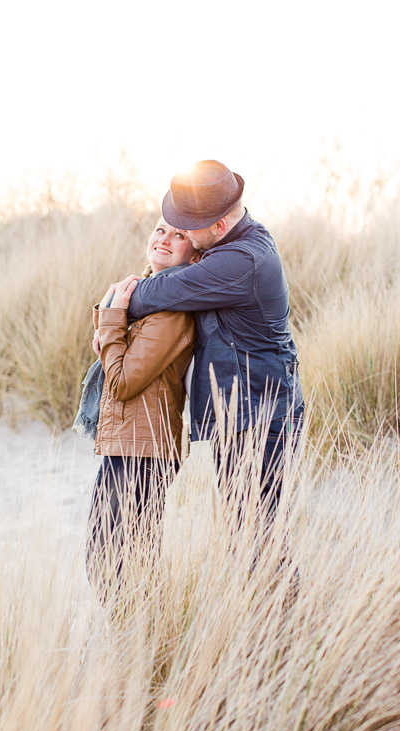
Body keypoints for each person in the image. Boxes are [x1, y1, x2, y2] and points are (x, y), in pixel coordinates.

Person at [117, 161, 304, 536]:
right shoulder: (231, 243)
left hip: (259, 417)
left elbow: (151, 295)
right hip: (245, 413)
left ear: (219, 226)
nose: (180, 230)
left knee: (258, 540)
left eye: (188, 224)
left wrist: (113, 307)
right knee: (249, 535)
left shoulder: (240, 260)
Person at [86, 220, 196, 594]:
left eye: (180, 235)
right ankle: (135, 640)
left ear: (195, 253)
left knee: (121, 565)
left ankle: (140, 642)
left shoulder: (173, 311)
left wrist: (112, 320)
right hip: (127, 443)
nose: (165, 239)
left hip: (144, 448)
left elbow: (121, 383)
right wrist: (114, 314)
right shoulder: (146, 299)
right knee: (110, 559)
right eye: (160, 229)